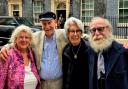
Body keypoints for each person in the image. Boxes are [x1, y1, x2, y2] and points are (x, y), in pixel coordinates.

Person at [0, 11, 67, 89]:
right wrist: (6, 47)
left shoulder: (64, 34)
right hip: (41, 84)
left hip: (58, 83)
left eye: (49, 23)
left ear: (55, 22)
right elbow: (21, 41)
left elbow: (79, 35)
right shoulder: (35, 37)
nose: (47, 26)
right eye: (44, 24)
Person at [88, 17, 128, 89]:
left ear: (109, 30)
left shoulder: (122, 52)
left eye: (100, 29)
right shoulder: (91, 51)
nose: (96, 33)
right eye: (93, 30)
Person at [62, 17, 91, 89]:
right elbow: (65, 75)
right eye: (72, 31)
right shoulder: (66, 50)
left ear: (81, 33)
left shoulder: (89, 49)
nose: (75, 34)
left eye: (78, 31)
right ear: (68, 33)